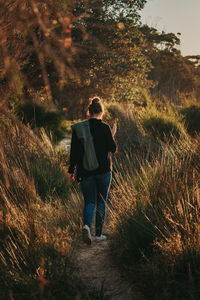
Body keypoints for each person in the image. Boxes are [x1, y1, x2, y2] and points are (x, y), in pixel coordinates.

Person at [68, 97, 117, 245]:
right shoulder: (105, 127)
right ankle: (98, 234)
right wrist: (112, 135)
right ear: (101, 112)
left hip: (85, 171)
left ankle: (86, 226)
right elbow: (113, 149)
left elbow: (74, 152)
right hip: (103, 171)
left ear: (88, 112)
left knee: (89, 201)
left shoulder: (79, 128)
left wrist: (71, 171)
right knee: (101, 201)